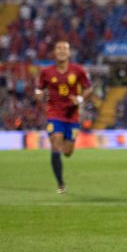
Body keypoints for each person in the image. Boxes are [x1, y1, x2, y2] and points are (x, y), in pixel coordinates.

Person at [35, 40, 93, 193]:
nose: (61, 51)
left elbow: (89, 88)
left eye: (65, 48)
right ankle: (60, 184)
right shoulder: (46, 72)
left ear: (69, 52)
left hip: (72, 116)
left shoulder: (78, 71)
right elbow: (38, 90)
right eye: (58, 48)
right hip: (54, 114)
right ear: (54, 52)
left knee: (67, 152)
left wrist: (80, 99)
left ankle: (61, 171)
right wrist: (39, 95)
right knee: (56, 144)